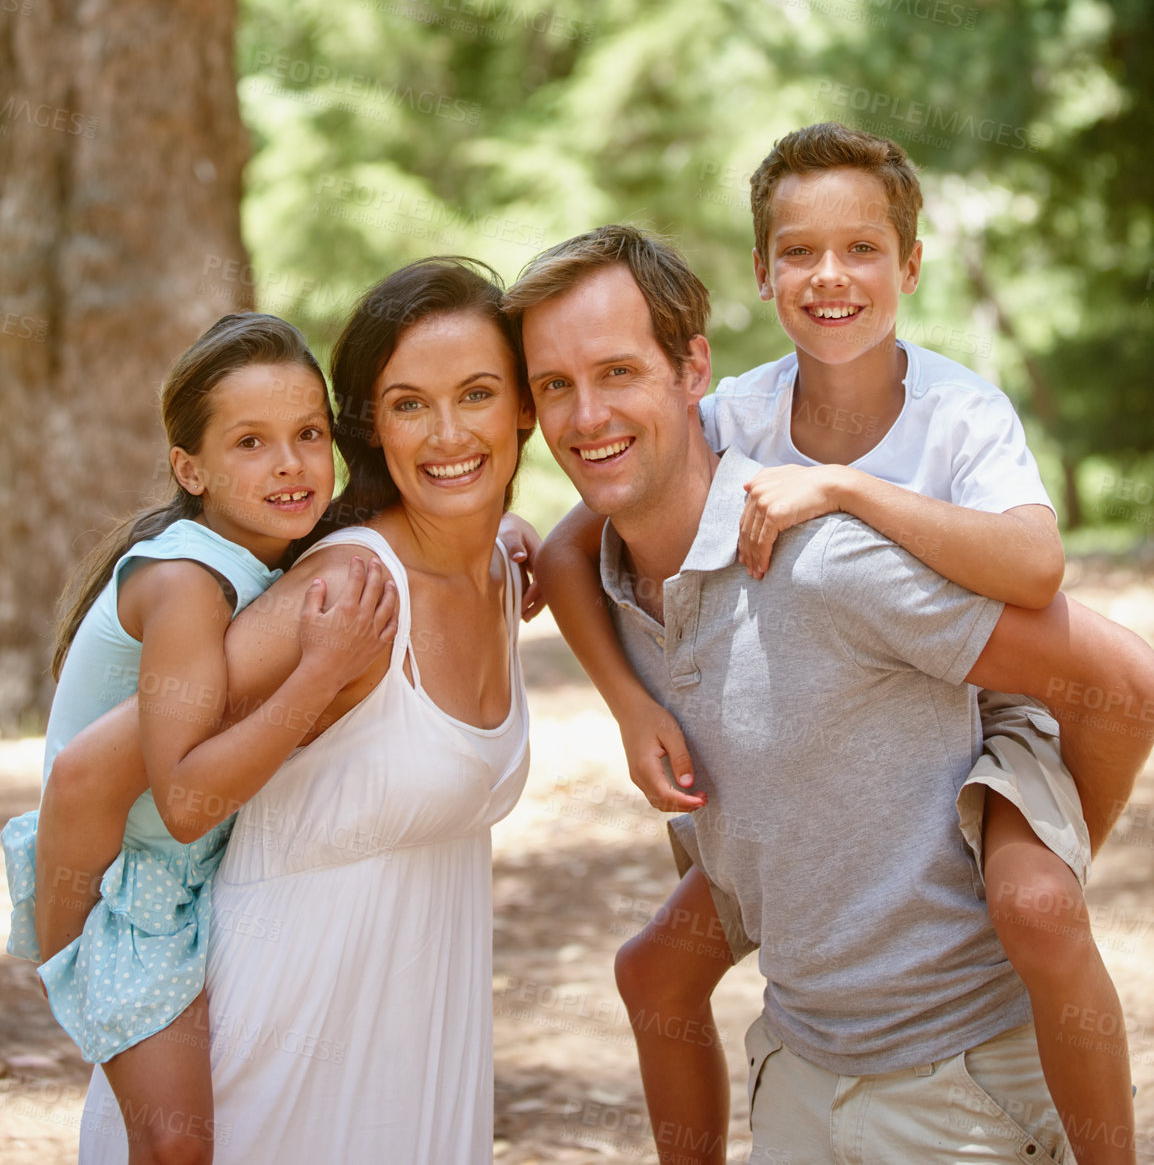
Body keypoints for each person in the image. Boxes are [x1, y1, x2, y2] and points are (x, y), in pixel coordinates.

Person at [505, 225, 1154, 1165]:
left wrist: (1048, 850)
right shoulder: (607, 577)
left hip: (955, 1091)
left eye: (616, 373)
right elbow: (554, 558)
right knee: (650, 971)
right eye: (554, 386)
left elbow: (1123, 685)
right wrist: (623, 703)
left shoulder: (827, 557)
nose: (586, 416)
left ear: (693, 372)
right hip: (799, 1080)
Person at [69, 256, 535, 1165]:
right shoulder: (345, 593)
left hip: (412, 1069)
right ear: (373, 426)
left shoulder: (503, 575)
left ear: (523, 405)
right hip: (273, 1073)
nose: (447, 434)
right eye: (408, 404)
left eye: (477, 393)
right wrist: (79, 963)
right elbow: (97, 771)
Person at [2, 313, 396, 1165]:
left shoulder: (269, 541)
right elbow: (183, 804)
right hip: (127, 896)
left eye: (308, 434)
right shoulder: (187, 582)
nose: (291, 463)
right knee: (178, 1144)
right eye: (250, 442)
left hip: (182, 882)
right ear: (192, 468)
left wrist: (506, 534)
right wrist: (319, 675)